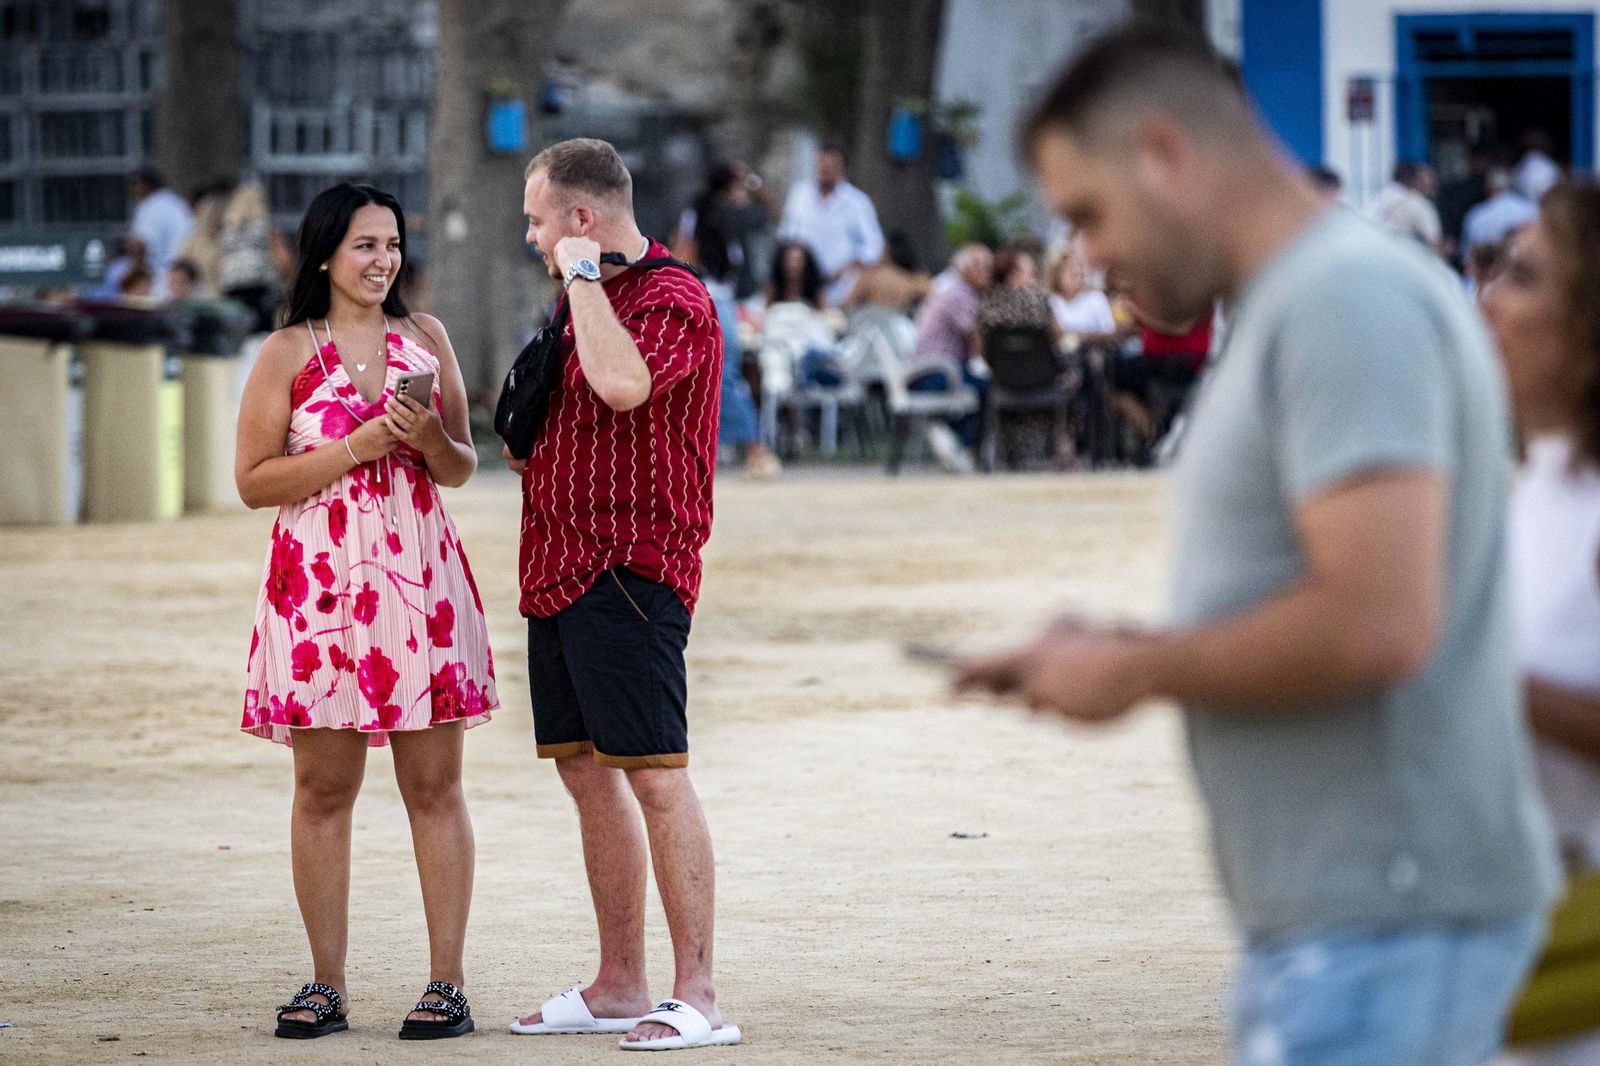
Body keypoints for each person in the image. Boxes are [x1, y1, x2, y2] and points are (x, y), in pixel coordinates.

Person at [959, 27, 1558, 1064]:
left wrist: (1136, 668)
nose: (1088, 255)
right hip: (1357, 933)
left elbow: (1374, 622)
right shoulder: (1300, 303)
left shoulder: (1343, 301)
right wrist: (1113, 646)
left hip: (1392, 933)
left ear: (1164, 154)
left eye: (1089, 214)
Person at [235, 182, 496, 1041]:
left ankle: (447, 984)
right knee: (322, 788)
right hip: (317, 591)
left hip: (420, 582)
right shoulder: (284, 352)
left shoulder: (426, 338)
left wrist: (426, 440)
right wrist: (356, 446)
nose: (383, 260)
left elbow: (460, 465)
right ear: (323, 255)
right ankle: (325, 984)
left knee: (434, 785)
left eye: (391, 244)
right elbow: (252, 481)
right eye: (365, 245)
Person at [504, 138, 740, 1051]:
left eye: (536, 220)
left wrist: (579, 282)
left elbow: (622, 383)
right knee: (584, 771)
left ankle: (700, 995)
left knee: (654, 775)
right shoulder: (582, 299)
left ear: (580, 219)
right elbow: (545, 429)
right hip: (557, 565)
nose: (529, 236)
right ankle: (618, 982)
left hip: (630, 571)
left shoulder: (673, 298)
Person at [1482, 183, 1600, 1066]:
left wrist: (1474, 677)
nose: (1490, 300)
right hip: (1525, 957)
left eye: (1523, 277)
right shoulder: (1531, 484)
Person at [692, 168, 781, 478]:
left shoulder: (723, 215)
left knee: (720, 376)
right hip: (711, 298)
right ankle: (752, 446)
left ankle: (751, 446)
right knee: (723, 376)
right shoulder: (709, 214)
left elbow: (768, 213)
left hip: (722, 299)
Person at [778, 144, 885, 307]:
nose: (824, 170)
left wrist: (850, 265)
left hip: (841, 290)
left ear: (841, 168)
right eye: (821, 164)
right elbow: (786, 236)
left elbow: (875, 247)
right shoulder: (800, 195)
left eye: (830, 166)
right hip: (802, 288)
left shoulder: (857, 203)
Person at [220, 180, 292, 335]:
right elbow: (283, 259)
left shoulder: (228, 229)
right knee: (262, 332)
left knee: (239, 331)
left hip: (233, 284)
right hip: (261, 283)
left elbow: (220, 260)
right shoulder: (267, 227)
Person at [129, 168, 194, 300]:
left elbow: (140, 245)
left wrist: (132, 275)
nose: (133, 192)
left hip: (164, 277)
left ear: (144, 186)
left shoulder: (150, 205)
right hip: (187, 272)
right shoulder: (175, 201)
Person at [1370, 160, 1443, 254]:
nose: (1433, 182)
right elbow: (1434, 244)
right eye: (1428, 178)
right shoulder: (1419, 205)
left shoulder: (1380, 200)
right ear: (1416, 181)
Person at [1046, 244, 1117, 340]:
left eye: (1079, 269)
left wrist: (1081, 336)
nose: (1076, 273)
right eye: (1069, 270)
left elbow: (1110, 332)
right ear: (1057, 274)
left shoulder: (1096, 298)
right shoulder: (1051, 301)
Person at [1464, 168, 1539, 256]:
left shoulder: (1475, 215)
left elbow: (1467, 255)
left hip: (1489, 267)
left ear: (1488, 189)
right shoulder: (1531, 209)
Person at [1516, 130, 1563, 204]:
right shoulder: (1546, 166)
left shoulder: (1520, 166)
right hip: (1543, 209)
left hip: (1526, 210)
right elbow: (1548, 193)